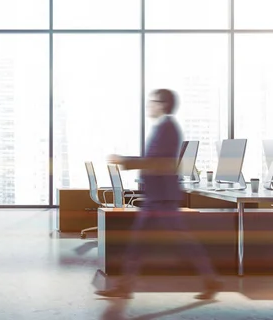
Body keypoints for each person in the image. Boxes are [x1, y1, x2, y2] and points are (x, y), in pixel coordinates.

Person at [95, 89, 222, 300]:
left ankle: (211, 280)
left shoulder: (168, 128)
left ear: (162, 104)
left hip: (162, 198)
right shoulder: (163, 128)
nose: (149, 106)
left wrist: (125, 161)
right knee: (141, 243)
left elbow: (158, 162)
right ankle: (126, 287)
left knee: (178, 241)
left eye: (152, 102)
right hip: (158, 197)